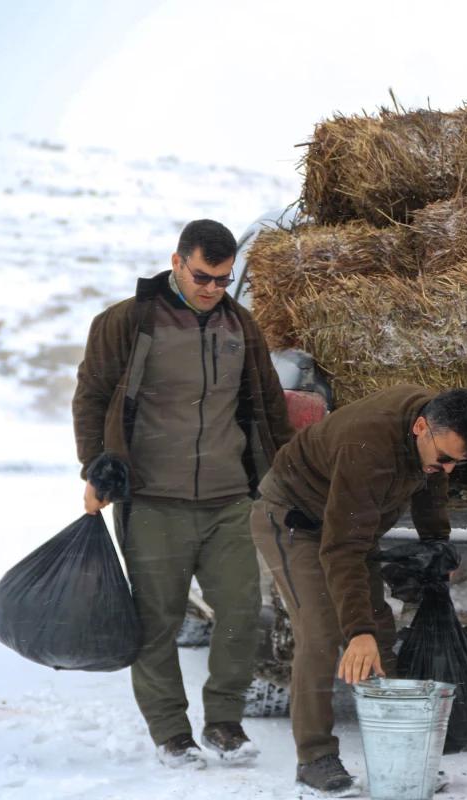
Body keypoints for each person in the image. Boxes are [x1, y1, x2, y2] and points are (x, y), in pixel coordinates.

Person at [73, 219, 294, 768]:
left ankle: (224, 723)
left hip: (228, 498)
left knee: (243, 611)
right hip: (152, 500)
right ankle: (172, 733)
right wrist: (95, 467)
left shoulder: (241, 326)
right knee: (157, 622)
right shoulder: (126, 322)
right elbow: (92, 397)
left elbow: (268, 405)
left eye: (222, 279)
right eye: (202, 276)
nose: (212, 288)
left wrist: (286, 477)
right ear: (176, 263)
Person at [251, 384, 467, 797]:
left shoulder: (432, 438)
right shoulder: (369, 445)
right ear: (420, 427)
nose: (448, 469)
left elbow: (431, 488)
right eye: (446, 459)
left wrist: (437, 544)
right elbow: (341, 547)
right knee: (324, 629)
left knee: (380, 632)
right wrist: (355, 630)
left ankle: (402, 750)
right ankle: (315, 757)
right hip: (293, 520)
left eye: (459, 463)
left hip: (348, 525)